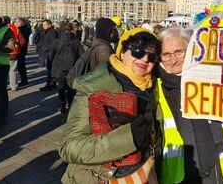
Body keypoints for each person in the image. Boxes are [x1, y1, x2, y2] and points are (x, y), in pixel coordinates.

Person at [59, 28, 162, 183]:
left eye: (152, 56)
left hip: (142, 172)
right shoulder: (94, 87)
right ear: (122, 52)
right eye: (138, 52)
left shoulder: (152, 86)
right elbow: (69, 147)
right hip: (101, 177)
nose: (145, 59)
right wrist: (128, 138)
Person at [156, 27, 223, 184]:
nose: (173, 60)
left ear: (189, 50)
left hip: (216, 163)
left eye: (178, 52)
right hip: (179, 171)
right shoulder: (155, 88)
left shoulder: (209, 79)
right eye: (166, 55)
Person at [49, 22, 84, 113]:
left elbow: (51, 55)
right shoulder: (75, 42)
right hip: (72, 69)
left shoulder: (56, 41)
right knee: (71, 88)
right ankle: (71, 105)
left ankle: (62, 105)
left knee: (61, 87)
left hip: (59, 68)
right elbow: (82, 55)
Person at [7, 18, 27, 91]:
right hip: (14, 51)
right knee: (13, 69)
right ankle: (14, 86)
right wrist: (18, 47)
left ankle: (5, 84)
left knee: (3, 69)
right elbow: (22, 41)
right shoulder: (15, 28)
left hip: (1, 52)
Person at [40, 19, 58, 91]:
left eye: (45, 25)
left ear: (49, 25)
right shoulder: (48, 31)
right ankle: (51, 84)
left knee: (50, 70)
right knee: (50, 69)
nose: (43, 26)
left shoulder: (51, 32)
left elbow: (53, 44)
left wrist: (46, 50)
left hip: (51, 54)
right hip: (49, 53)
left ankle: (50, 84)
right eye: (43, 25)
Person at [15, 18, 32, 86]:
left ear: (20, 22)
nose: (15, 24)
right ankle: (24, 80)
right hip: (23, 50)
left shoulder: (21, 30)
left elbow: (21, 40)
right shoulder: (26, 29)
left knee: (20, 66)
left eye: (16, 22)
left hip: (20, 50)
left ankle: (24, 80)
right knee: (21, 65)